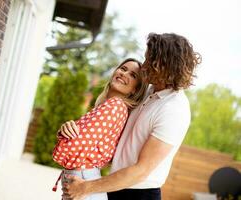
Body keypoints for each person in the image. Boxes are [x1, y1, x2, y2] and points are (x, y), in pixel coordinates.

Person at [60, 33, 201, 200]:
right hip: (113, 185)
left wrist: (86, 188)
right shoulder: (148, 91)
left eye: (151, 61)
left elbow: (141, 170)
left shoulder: (174, 110)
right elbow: (108, 126)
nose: (144, 65)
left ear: (166, 67)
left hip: (138, 194)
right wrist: (74, 129)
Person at [52, 58, 149, 200]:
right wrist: (65, 131)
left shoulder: (115, 106)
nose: (124, 74)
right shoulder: (109, 106)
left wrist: (62, 147)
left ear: (135, 89)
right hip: (82, 176)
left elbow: (75, 145)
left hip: (82, 177)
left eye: (133, 75)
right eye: (123, 69)